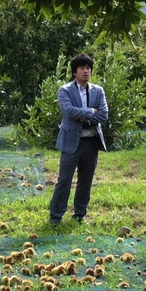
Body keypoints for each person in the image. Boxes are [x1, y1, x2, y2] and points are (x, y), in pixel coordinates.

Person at [49, 53, 108, 224]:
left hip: (91, 141)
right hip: (70, 141)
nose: (86, 71)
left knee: (86, 181)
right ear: (75, 72)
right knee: (64, 180)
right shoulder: (65, 90)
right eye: (82, 68)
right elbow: (69, 111)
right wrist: (91, 112)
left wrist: (83, 115)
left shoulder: (98, 90)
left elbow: (103, 115)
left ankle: (80, 214)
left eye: (88, 68)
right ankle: (56, 217)